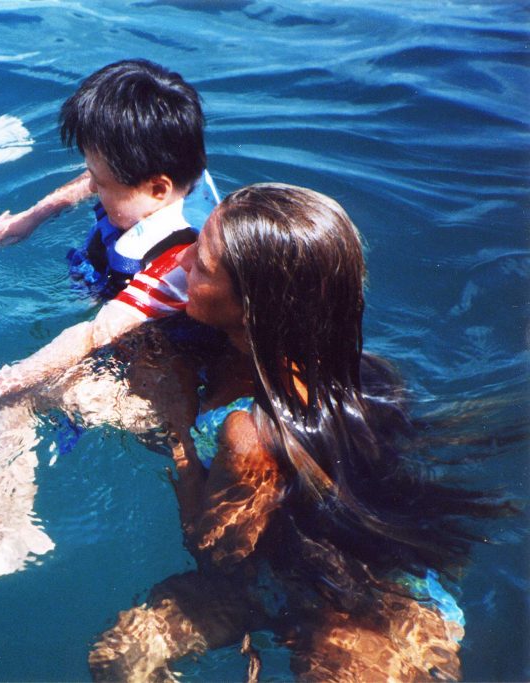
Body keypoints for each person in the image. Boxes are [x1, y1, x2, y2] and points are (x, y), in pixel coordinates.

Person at [86, 183, 511, 681]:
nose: (179, 266)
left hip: (365, 620)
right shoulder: (368, 374)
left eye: (200, 265)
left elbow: (215, 549)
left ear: (252, 309)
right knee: (120, 657)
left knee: (121, 658)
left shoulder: (249, 436)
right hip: (289, 580)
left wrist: (178, 424)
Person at [0, 60, 221, 585]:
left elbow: (92, 333)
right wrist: (34, 216)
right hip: (139, 336)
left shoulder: (180, 262)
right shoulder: (177, 177)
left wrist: (0, 381)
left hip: (176, 381)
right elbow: (91, 179)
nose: (95, 188)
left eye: (106, 184)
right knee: (23, 400)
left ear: (158, 189)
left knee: (17, 400)